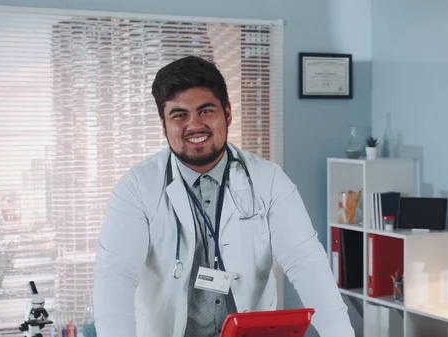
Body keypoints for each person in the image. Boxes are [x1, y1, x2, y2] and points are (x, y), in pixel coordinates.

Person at [93, 55, 355, 337]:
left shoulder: (268, 179)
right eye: (179, 115)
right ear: (163, 123)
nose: (194, 125)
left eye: (206, 111)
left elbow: (306, 262)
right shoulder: (137, 187)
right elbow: (115, 278)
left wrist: (339, 333)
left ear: (227, 113)